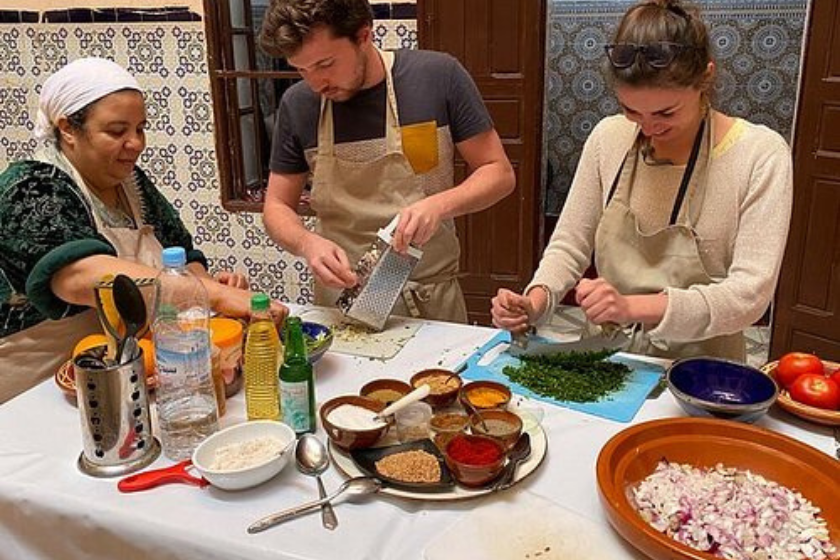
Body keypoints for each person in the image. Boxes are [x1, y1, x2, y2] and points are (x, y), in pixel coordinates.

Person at [491, 0, 792, 361]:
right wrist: (535, 302)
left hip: (700, 372)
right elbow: (569, 245)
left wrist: (632, 307)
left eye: (666, 112)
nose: (648, 127)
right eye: (631, 110)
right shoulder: (608, 138)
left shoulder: (759, 155)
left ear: (705, 78)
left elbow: (749, 296)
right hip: (607, 359)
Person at [0, 57, 288, 403]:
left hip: (127, 372)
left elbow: (181, 255)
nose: (136, 143)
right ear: (67, 129)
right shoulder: (31, 186)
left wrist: (205, 287)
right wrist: (213, 295)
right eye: (117, 131)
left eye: (140, 128)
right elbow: (80, 277)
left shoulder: (132, 183)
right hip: (39, 383)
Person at [258, 0, 515, 323]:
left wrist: (439, 205)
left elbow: (499, 173)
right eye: (301, 69)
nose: (315, 83)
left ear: (364, 35)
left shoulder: (437, 77)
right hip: (340, 304)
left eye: (325, 64)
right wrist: (306, 243)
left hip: (429, 301)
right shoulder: (298, 105)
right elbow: (277, 206)